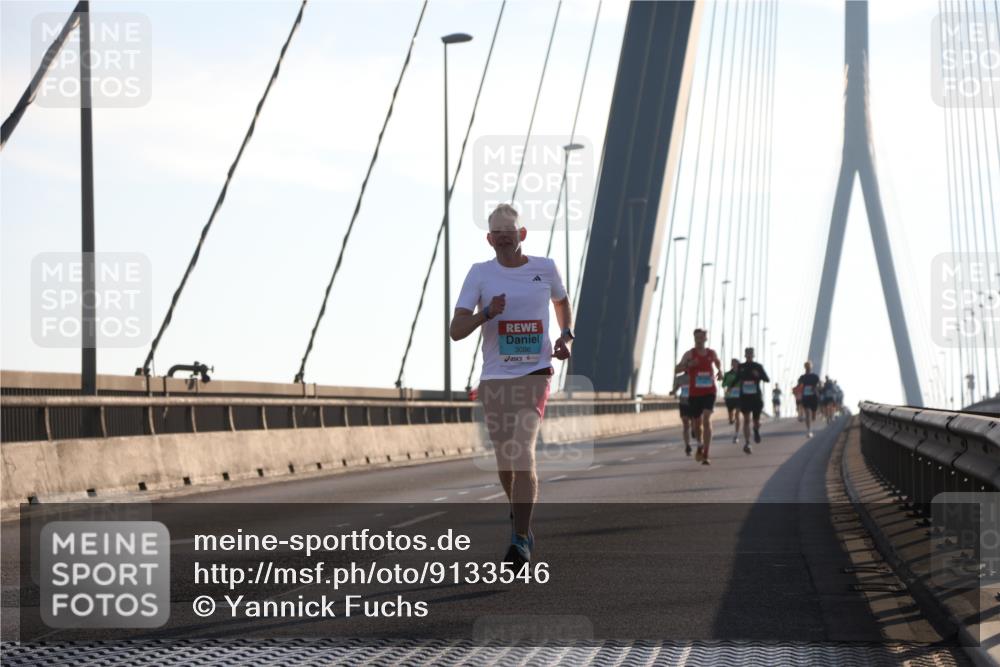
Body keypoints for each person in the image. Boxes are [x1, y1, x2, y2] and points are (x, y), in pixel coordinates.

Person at [451, 203, 573, 566]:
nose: (504, 236)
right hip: (494, 379)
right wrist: (487, 313)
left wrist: (566, 336)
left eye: (510, 230)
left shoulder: (545, 268)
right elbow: (456, 330)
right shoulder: (480, 274)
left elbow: (562, 302)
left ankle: (520, 540)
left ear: (522, 234)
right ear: (489, 239)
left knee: (522, 451)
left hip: (535, 374)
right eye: (497, 232)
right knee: (505, 458)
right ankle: (521, 517)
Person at [675, 328, 723, 465]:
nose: (699, 340)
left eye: (702, 337)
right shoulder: (689, 354)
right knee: (697, 424)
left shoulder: (711, 353)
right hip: (695, 394)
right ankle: (700, 444)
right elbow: (676, 369)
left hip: (709, 391)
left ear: (705, 339)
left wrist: (720, 370)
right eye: (697, 338)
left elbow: (717, 361)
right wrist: (688, 364)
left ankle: (706, 453)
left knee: (706, 418)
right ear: (694, 339)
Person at [736, 347, 770, 453]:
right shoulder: (741, 367)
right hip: (744, 397)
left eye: (751, 354)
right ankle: (747, 442)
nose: (749, 355)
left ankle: (756, 429)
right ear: (745, 355)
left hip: (756, 397)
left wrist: (758, 375)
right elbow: (736, 379)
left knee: (756, 421)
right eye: (747, 354)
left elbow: (767, 379)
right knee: (746, 420)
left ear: (753, 355)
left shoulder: (758, 366)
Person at [795, 361, 822, 437]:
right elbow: (799, 386)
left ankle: (811, 421)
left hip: (814, 397)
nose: (808, 368)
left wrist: (815, 387)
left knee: (813, 416)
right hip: (806, 397)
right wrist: (797, 390)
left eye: (809, 366)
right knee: (807, 413)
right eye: (806, 366)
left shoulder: (815, 376)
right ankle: (809, 431)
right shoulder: (802, 377)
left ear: (811, 367)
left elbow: (820, 385)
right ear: (805, 367)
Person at [672, 371, 694, 456]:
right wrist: (673, 392)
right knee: (685, 425)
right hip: (683, 403)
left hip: (694, 402)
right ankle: (687, 446)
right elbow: (676, 388)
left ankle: (694, 430)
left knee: (694, 422)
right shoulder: (680, 378)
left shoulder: (695, 375)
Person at [721, 358, 742, 443]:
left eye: (735, 363)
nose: (734, 364)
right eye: (732, 363)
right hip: (729, 397)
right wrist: (728, 384)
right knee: (731, 418)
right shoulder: (727, 374)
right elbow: (723, 385)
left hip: (739, 397)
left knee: (737, 415)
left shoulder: (742, 374)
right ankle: (731, 419)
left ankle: (736, 435)